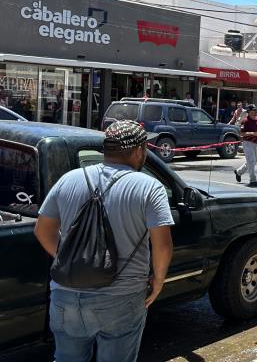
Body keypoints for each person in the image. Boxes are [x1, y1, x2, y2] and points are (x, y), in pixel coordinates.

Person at [33, 120, 174, 362]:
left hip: (65, 295)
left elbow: (42, 231)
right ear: (139, 150)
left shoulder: (69, 179)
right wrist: (158, 281)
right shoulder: (150, 187)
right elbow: (162, 245)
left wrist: (70, 258)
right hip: (121, 297)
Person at [234, 105, 257, 187]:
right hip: (247, 143)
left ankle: (238, 172)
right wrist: (253, 133)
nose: (255, 112)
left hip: (256, 142)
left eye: (255, 110)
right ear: (249, 112)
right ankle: (253, 180)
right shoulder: (245, 121)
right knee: (251, 161)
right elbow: (241, 133)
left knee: (253, 162)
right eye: (253, 111)